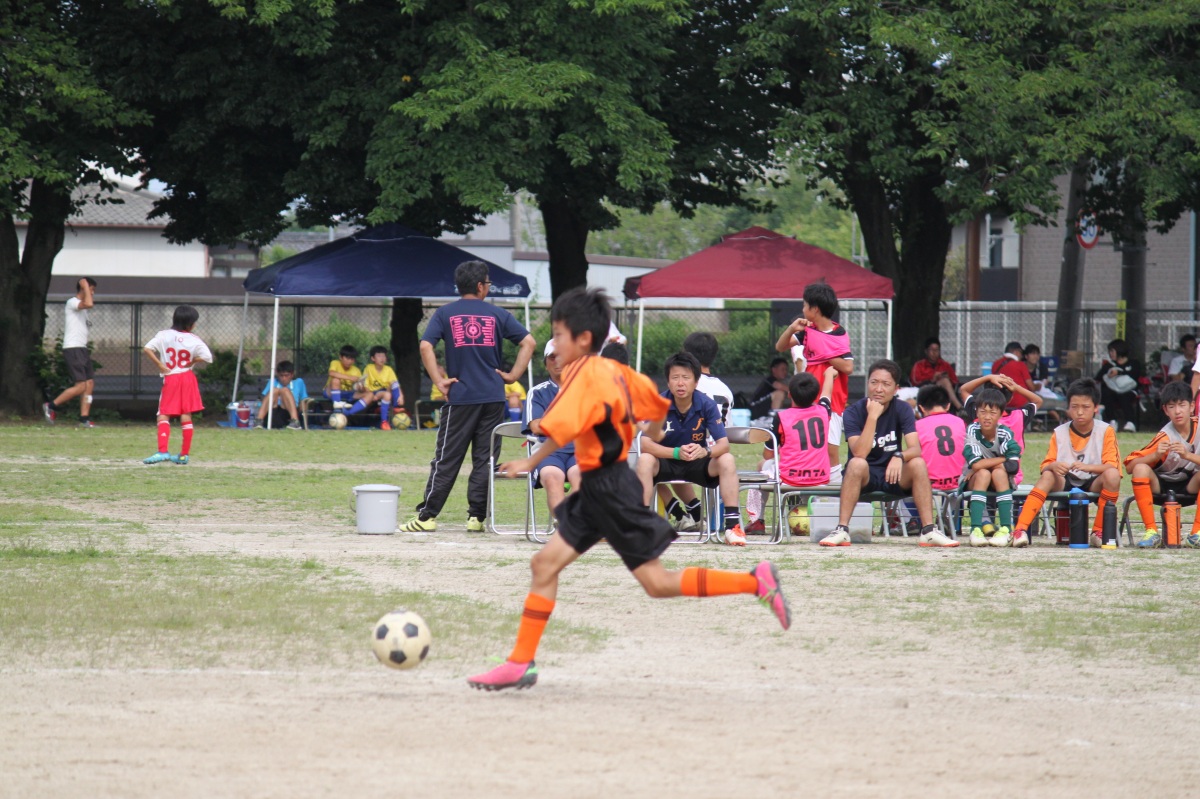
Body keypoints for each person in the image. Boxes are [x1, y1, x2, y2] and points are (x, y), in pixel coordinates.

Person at [468, 287, 790, 691]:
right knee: (557, 568)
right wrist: (637, 428)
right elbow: (653, 418)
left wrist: (529, 461)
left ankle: (755, 581)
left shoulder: (584, 376)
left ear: (584, 338)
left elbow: (559, 428)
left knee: (653, 583)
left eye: (559, 335)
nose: (555, 344)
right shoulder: (621, 375)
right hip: (603, 488)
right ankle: (521, 662)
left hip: (607, 492)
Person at [402, 260, 536, 532]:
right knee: (485, 459)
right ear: (479, 286)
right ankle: (476, 518)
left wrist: (439, 381)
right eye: (488, 283)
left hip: (461, 398)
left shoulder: (445, 313)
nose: (489, 288)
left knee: (447, 458)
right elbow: (529, 342)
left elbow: (426, 346)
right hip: (493, 398)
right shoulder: (498, 314)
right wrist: (513, 376)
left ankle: (427, 517)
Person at [820, 360, 958, 548]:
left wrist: (899, 456)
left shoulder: (903, 408)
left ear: (896, 389)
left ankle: (928, 531)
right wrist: (872, 416)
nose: (879, 389)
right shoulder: (853, 411)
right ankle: (842, 530)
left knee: (917, 463)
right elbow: (859, 452)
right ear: (867, 384)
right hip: (864, 476)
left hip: (893, 475)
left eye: (886, 384)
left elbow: (915, 448)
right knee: (857, 463)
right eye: (874, 382)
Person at [636, 352, 746, 545]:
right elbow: (645, 444)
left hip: (697, 462)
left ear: (696, 382)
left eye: (686, 378)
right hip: (667, 462)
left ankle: (732, 527)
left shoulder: (706, 404)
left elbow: (724, 444)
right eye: (675, 377)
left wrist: (705, 452)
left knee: (727, 459)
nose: (680, 383)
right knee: (645, 459)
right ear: (668, 382)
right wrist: (675, 452)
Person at [1012, 378, 1122, 549]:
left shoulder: (1106, 430)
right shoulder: (1059, 432)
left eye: (1085, 407)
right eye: (1074, 407)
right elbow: (1045, 465)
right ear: (1068, 407)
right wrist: (1053, 466)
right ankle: (1020, 530)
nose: (1079, 412)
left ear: (1095, 408)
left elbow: (1111, 465)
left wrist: (1088, 467)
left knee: (1113, 476)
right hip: (1066, 479)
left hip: (1094, 480)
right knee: (1047, 475)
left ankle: (1098, 531)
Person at [774, 282, 855, 483]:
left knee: (830, 450)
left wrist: (822, 351)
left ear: (815, 309)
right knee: (806, 449)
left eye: (804, 305)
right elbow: (780, 346)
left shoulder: (839, 333)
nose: (802, 309)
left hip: (832, 401)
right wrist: (792, 328)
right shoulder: (807, 331)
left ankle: (834, 494)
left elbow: (848, 367)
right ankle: (808, 491)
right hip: (808, 399)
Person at [1124, 381, 1200, 549]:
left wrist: (1188, 455)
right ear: (1166, 410)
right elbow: (1129, 466)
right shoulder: (1165, 436)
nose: (1177, 411)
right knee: (1140, 468)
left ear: (1192, 406)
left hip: (1190, 484)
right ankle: (1151, 531)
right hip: (1162, 485)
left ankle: (1196, 533)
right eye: (1172, 407)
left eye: (1182, 405)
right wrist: (1155, 455)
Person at [141, 305, 212, 465]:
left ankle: (163, 451)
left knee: (163, 413)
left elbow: (147, 348)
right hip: (187, 377)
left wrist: (160, 364)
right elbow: (207, 357)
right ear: (190, 324)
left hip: (171, 377)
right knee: (186, 414)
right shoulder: (194, 339)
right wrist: (193, 361)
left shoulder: (163, 335)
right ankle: (183, 455)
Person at [526, 340, 580, 529]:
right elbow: (536, 426)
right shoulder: (537, 393)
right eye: (552, 357)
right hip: (548, 451)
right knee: (551, 477)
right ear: (546, 363)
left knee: (582, 477)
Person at [961, 385, 1023, 547]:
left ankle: (1005, 529)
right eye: (982, 412)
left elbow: (1013, 466)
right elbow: (976, 464)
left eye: (992, 412)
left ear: (1001, 414)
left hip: (998, 479)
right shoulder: (972, 430)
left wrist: (988, 464)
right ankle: (976, 530)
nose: (987, 417)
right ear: (976, 412)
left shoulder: (1005, 433)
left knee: (998, 473)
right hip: (975, 479)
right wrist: (1002, 459)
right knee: (983, 473)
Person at [958, 372, 1043, 485]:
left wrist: (988, 377)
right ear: (1010, 398)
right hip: (1010, 474)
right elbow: (1038, 400)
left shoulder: (979, 414)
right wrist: (1016, 387)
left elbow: (964, 390)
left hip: (981, 474)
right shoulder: (1019, 416)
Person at [764, 367, 838, 487]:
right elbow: (827, 393)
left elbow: (768, 455)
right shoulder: (824, 411)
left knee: (763, 466)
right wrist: (829, 374)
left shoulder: (781, 417)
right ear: (815, 395)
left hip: (789, 479)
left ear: (789, 394)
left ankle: (754, 502)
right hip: (820, 478)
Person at [44, 277, 98, 427]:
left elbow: (88, 305)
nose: (92, 293)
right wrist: (85, 286)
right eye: (92, 290)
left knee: (89, 383)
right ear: (83, 288)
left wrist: (87, 289)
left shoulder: (82, 309)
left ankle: (84, 418)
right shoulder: (72, 302)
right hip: (73, 348)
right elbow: (89, 304)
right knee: (81, 385)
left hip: (82, 348)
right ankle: (51, 406)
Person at [914, 383, 966, 494]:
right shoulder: (960, 422)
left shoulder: (917, 425)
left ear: (921, 408)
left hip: (929, 484)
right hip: (959, 482)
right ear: (948, 406)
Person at [344, 346, 404, 430]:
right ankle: (348, 413)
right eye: (379, 356)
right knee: (374, 395)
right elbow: (365, 386)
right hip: (371, 392)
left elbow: (395, 383)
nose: (382, 358)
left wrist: (401, 396)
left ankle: (386, 420)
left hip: (382, 391)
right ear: (373, 358)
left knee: (389, 391)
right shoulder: (369, 368)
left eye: (383, 356)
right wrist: (372, 395)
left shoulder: (388, 369)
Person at [1095, 338, 1142, 432]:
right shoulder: (1109, 365)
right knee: (1106, 392)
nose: (1110, 354)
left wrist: (1119, 372)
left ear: (1120, 350)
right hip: (1113, 391)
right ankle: (1112, 421)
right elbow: (1098, 378)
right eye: (1109, 351)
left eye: (1112, 351)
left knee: (1124, 396)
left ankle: (1130, 422)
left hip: (1129, 391)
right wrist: (1108, 374)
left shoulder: (1134, 363)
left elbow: (1136, 375)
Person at [909, 337, 963, 411]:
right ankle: (959, 408)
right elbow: (914, 382)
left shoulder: (945, 365)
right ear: (926, 351)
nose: (934, 353)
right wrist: (932, 379)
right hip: (925, 392)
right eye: (932, 350)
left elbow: (955, 381)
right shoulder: (919, 365)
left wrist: (948, 378)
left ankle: (958, 408)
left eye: (937, 350)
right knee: (944, 381)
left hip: (943, 393)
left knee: (944, 380)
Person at [256, 360, 306, 429]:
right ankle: (259, 420)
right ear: (278, 374)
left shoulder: (298, 382)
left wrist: (303, 412)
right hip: (273, 412)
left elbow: (303, 400)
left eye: (286, 375)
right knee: (274, 390)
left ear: (292, 375)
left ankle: (295, 421)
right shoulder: (272, 382)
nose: (284, 378)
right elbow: (265, 399)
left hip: (288, 413)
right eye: (281, 376)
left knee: (284, 390)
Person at [991, 341, 1033, 410]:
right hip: (1021, 402)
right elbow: (1031, 387)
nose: (1022, 356)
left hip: (1001, 402)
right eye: (1021, 353)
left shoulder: (995, 364)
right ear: (1016, 352)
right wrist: (1039, 386)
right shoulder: (1020, 364)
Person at [748, 356, 791, 420]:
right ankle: (774, 420)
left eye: (786, 370)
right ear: (774, 370)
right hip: (754, 410)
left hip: (761, 409)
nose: (785, 372)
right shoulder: (770, 380)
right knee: (780, 393)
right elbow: (780, 386)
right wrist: (796, 390)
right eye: (782, 369)